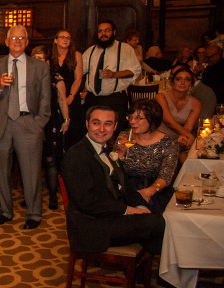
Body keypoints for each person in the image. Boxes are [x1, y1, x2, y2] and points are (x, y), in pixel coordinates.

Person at [61, 106, 164, 255]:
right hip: (92, 226)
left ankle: (150, 272)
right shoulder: (76, 156)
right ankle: (164, 273)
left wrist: (141, 207)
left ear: (115, 126)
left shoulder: (108, 151)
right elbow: (87, 202)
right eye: (96, 123)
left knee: (157, 220)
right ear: (87, 123)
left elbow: (127, 188)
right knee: (159, 223)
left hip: (112, 218)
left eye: (108, 124)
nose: (102, 129)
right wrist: (128, 210)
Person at [0, 25, 51, 229]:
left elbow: (46, 99)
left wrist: (39, 124)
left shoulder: (40, 67)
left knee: (31, 172)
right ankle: (5, 211)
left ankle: (34, 214)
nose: (18, 41)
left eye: (22, 38)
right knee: (1, 172)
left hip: (28, 123)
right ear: (7, 42)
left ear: (27, 42)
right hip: (2, 123)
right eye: (14, 38)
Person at [113, 100, 177, 214]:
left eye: (138, 118)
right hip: (127, 188)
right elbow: (113, 171)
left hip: (156, 188)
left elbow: (166, 174)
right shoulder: (125, 137)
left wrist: (151, 190)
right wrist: (121, 152)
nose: (132, 121)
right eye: (130, 117)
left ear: (152, 119)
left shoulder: (168, 142)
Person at [79, 20, 140, 126]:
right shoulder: (90, 51)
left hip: (115, 99)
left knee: (117, 131)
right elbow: (80, 72)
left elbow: (134, 71)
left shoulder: (125, 49)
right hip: (93, 99)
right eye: (100, 31)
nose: (103, 34)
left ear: (114, 32)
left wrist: (114, 74)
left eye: (107, 30)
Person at [32, 45, 70, 210]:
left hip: (52, 122)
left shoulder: (56, 78)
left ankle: (53, 195)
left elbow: (62, 100)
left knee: (50, 160)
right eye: (36, 58)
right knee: (32, 160)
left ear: (48, 61)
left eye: (42, 58)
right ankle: (31, 196)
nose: (39, 62)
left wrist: (67, 119)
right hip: (32, 123)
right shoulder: (27, 78)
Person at [156, 65, 201, 153]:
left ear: (191, 84)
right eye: (178, 79)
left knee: (185, 148)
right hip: (157, 137)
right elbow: (168, 122)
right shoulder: (161, 97)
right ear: (172, 82)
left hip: (178, 137)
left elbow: (187, 128)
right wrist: (191, 137)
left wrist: (183, 137)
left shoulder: (196, 103)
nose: (182, 82)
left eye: (187, 79)